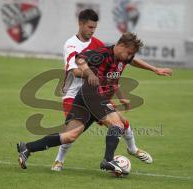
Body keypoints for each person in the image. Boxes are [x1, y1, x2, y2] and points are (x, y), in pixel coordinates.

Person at [17, 32, 172, 176]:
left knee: (69, 136)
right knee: (117, 125)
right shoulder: (103, 53)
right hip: (94, 95)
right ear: (122, 46)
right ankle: (108, 160)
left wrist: (154, 69)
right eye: (130, 53)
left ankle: (27, 148)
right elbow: (80, 58)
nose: (130, 57)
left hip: (85, 97)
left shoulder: (124, 57)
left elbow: (134, 61)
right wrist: (89, 73)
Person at [51, 9, 152, 171]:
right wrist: (92, 75)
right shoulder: (70, 44)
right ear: (81, 24)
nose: (92, 31)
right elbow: (73, 71)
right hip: (73, 94)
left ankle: (133, 149)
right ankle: (59, 160)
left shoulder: (97, 44)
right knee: (71, 134)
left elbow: (122, 62)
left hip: (95, 92)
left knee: (121, 123)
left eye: (94, 28)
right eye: (90, 27)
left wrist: (154, 69)